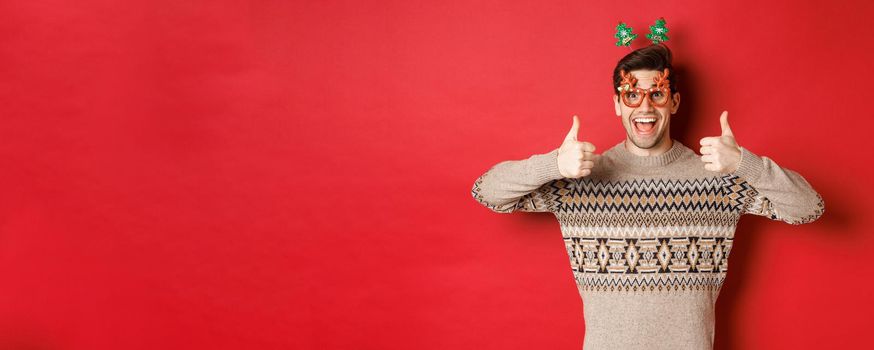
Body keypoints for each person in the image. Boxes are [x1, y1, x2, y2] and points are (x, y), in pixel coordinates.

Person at [470, 43, 824, 349]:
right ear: (617, 104)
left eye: (656, 94)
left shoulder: (719, 180)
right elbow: (486, 192)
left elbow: (809, 208)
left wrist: (746, 164)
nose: (644, 107)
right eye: (631, 95)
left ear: (673, 102)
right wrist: (552, 165)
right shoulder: (579, 179)